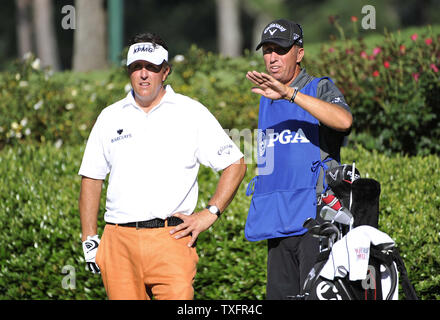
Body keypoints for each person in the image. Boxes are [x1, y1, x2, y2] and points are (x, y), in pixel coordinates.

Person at [78, 32, 246, 300]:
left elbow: (235, 164)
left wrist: (210, 213)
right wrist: (89, 238)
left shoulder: (191, 112)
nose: (143, 75)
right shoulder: (109, 116)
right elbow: (91, 177)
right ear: (129, 72)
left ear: (165, 72)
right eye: (136, 67)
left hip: (171, 238)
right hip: (118, 242)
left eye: (152, 67)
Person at [244, 19, 353, 299]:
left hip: (317, 219)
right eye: (267, 50)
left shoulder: (319, 87)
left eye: (280, 50)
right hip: (278, 220)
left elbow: (343, 120)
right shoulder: (264, 97)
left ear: (299, 53)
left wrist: (290, 95)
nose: (272, 58)